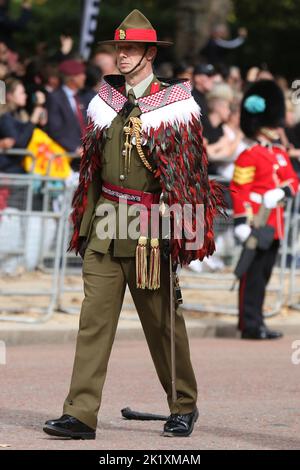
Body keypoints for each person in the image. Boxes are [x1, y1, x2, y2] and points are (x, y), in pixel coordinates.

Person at [43, 9, 224, 440]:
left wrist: (182, 234)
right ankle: (80, 413)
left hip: (151, 229)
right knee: (92, 323)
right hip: (105, 224)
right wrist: (84, 228)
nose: (120, 55)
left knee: (163, 324)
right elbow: (92, 169)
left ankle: (183, 405)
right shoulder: (105, 102)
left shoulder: (175, 105)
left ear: (147, 53)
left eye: (129, 48)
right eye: (118, 48)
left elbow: (191, 175)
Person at [230, 80, 299, 340]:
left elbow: (293, 181)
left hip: (275, 224)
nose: (277, 127)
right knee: (252, 276)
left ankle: (257, 320)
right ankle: (249, 324)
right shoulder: (249, 155)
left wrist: (281, 192)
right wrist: (240, 222)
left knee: (265, 274)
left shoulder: (279, 153)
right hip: (256, 222)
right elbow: (239, 189)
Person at [46, 59, 87, 170]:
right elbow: (55, 130)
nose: (84, 77)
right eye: (81, 74)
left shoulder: (81, 98)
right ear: (72, 78)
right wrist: (74, 148)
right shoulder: (55, 98)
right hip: (67, 157)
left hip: (84, 156)